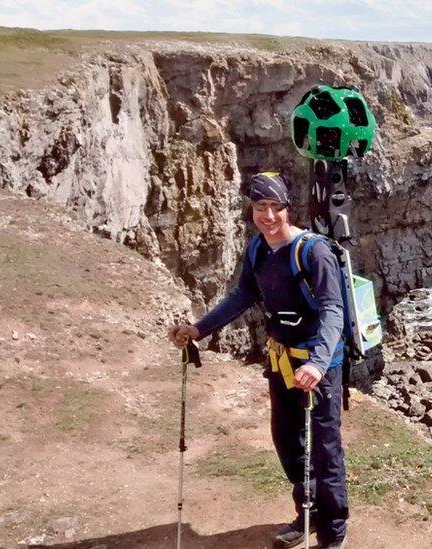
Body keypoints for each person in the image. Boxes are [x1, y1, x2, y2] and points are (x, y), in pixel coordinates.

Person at [168, 172, 348, 549]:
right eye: (260, 207)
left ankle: (333, 535)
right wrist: (200, 329)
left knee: (325, 450)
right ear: (252, 209)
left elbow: (334, 310)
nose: (268, 216)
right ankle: (308, 514)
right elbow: (242, 295)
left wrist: (316, 363)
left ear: (288, 207)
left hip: (318, 368)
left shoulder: (314, 251)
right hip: (282, 361)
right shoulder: (257, 249)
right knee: (288, 441)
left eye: (275, 207)